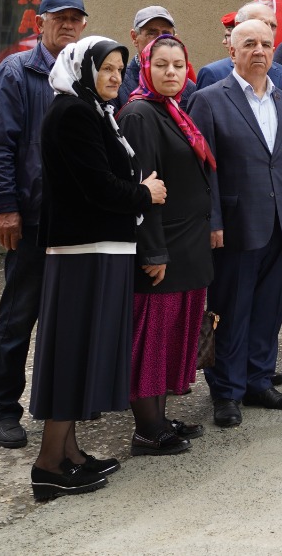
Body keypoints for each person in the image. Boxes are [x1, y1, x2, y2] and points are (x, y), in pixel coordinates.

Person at [31, 36, 166, 500]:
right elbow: (99, 187)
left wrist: (135, 189)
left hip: (101, 248)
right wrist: (145, 193)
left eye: (118, 69)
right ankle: (49, 463)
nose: (114, 77)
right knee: (73, 350)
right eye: (105, 68)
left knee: (85, 347)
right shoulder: (72, 113)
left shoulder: (93, 112)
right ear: (82, 69)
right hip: (82, 253)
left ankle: (70, 452)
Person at [188, 19, 282, 428]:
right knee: (230, 310)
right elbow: (201, 171)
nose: (259, 51)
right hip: (235, 225)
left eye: (266, 44)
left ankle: (258, 380)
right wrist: (212, 220)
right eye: (250, 44)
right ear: (232, 50)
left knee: (268, 310)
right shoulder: (209, 100)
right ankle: (226, 391)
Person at [0, 0, 87, 449]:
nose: (67, 26)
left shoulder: (89, 71)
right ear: (39, 22)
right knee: (20, 316)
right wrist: (5, 208)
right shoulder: (17, 73)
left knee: (70, 319)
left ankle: (62, 406)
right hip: (36, 219)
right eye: (58, 18)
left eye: (75, 19)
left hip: (81, 221)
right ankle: (5, 409)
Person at [118, 35, 215, 453]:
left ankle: (158, 417)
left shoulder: (172, 110)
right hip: (166, 250)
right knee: (152, 340)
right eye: (162, 65)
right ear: (146, 68)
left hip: (188, 247)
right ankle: (146, 429)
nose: (171, 72)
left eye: (178, 64)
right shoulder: (140, 114)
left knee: (174, 336)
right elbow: (145, 190)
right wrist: (152, 251)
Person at [193, 3, 282, 98]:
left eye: (273, 26)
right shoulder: (213, 73)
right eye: (262, 22)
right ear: (239, 25)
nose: (268, 29)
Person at [116, 6, 195, 109]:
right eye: (151, 33)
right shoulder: (118, 84)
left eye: (166, 34)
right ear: (134, 37)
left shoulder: (188, 89)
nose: (160, 39)